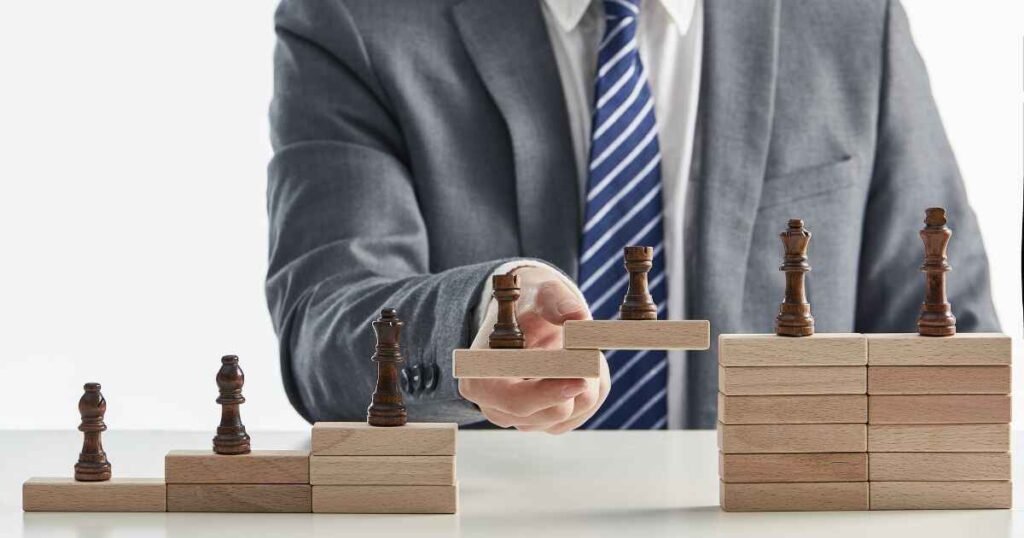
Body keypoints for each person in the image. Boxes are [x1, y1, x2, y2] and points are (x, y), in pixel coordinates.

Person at [265, 0, 998, 432]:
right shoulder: (355, 19)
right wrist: (472, 323)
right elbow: (323, 332)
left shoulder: (848, 19)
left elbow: (949, 340)